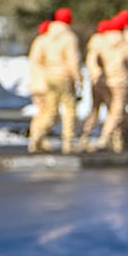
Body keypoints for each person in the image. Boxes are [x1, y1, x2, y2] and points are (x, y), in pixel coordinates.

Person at [28, 10, 82, 154]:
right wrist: (79, 78)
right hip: (64, 76)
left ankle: (37, 138)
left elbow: (36, 60)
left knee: (50, 111)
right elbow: (73, 61)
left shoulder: (45, 37)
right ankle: (68, 143)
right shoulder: (69, 38)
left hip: (49, 78)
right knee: (70, 110)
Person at [81, 19, 128, 153]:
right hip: (120, 80)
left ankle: (88, 136)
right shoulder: (124, 43)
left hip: (101, 81)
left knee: (96, 109)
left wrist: (96, 75)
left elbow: (92, 61)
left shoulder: (98, 42)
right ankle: (108, 137)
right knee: (116, 111)